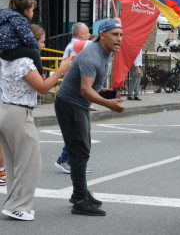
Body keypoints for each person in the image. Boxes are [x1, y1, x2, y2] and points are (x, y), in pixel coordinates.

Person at [0, 24, 72, 221]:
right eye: (40, 41)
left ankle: (14, 203)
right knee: (31, 164)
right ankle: (16, 206)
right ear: (29, 40)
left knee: (16, 163)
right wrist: (62, 69)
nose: (42, 45)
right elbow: (42, 87)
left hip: (7, 110)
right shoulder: (23, 61)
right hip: (18, 113)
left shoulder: (7, 57)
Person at [54, 19, 124, 216]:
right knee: (79, 150)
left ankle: (80, 191)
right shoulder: (91, 56)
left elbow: (91, 84)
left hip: (79, 104)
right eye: (115, 34)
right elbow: (85, 90)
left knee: (82, 148)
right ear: (102, 35)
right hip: (70, 104)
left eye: (121, 35)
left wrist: (107, 92)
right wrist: (108, 104)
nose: (119, 39)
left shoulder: (105, 53)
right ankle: (79, 199)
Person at [55, 22, 93, 174]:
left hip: (73, 91)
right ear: (81, 34)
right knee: (77, 132)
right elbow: (100, 43)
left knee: (78, 131)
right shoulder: (79, 45)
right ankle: (64, 160)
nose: (90, 34)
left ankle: (73, 162)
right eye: (88, 32)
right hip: (74, 93)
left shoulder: (72, 45)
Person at [0, 0, 44, 75]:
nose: (33, 13)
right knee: (34, 52)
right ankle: (42, 75)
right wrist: (36, 49)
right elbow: (28, 38)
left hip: (3, 49)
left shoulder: (7, 15)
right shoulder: (20, 20)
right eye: (32, 10)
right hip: (7, 51)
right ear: (26, 11)